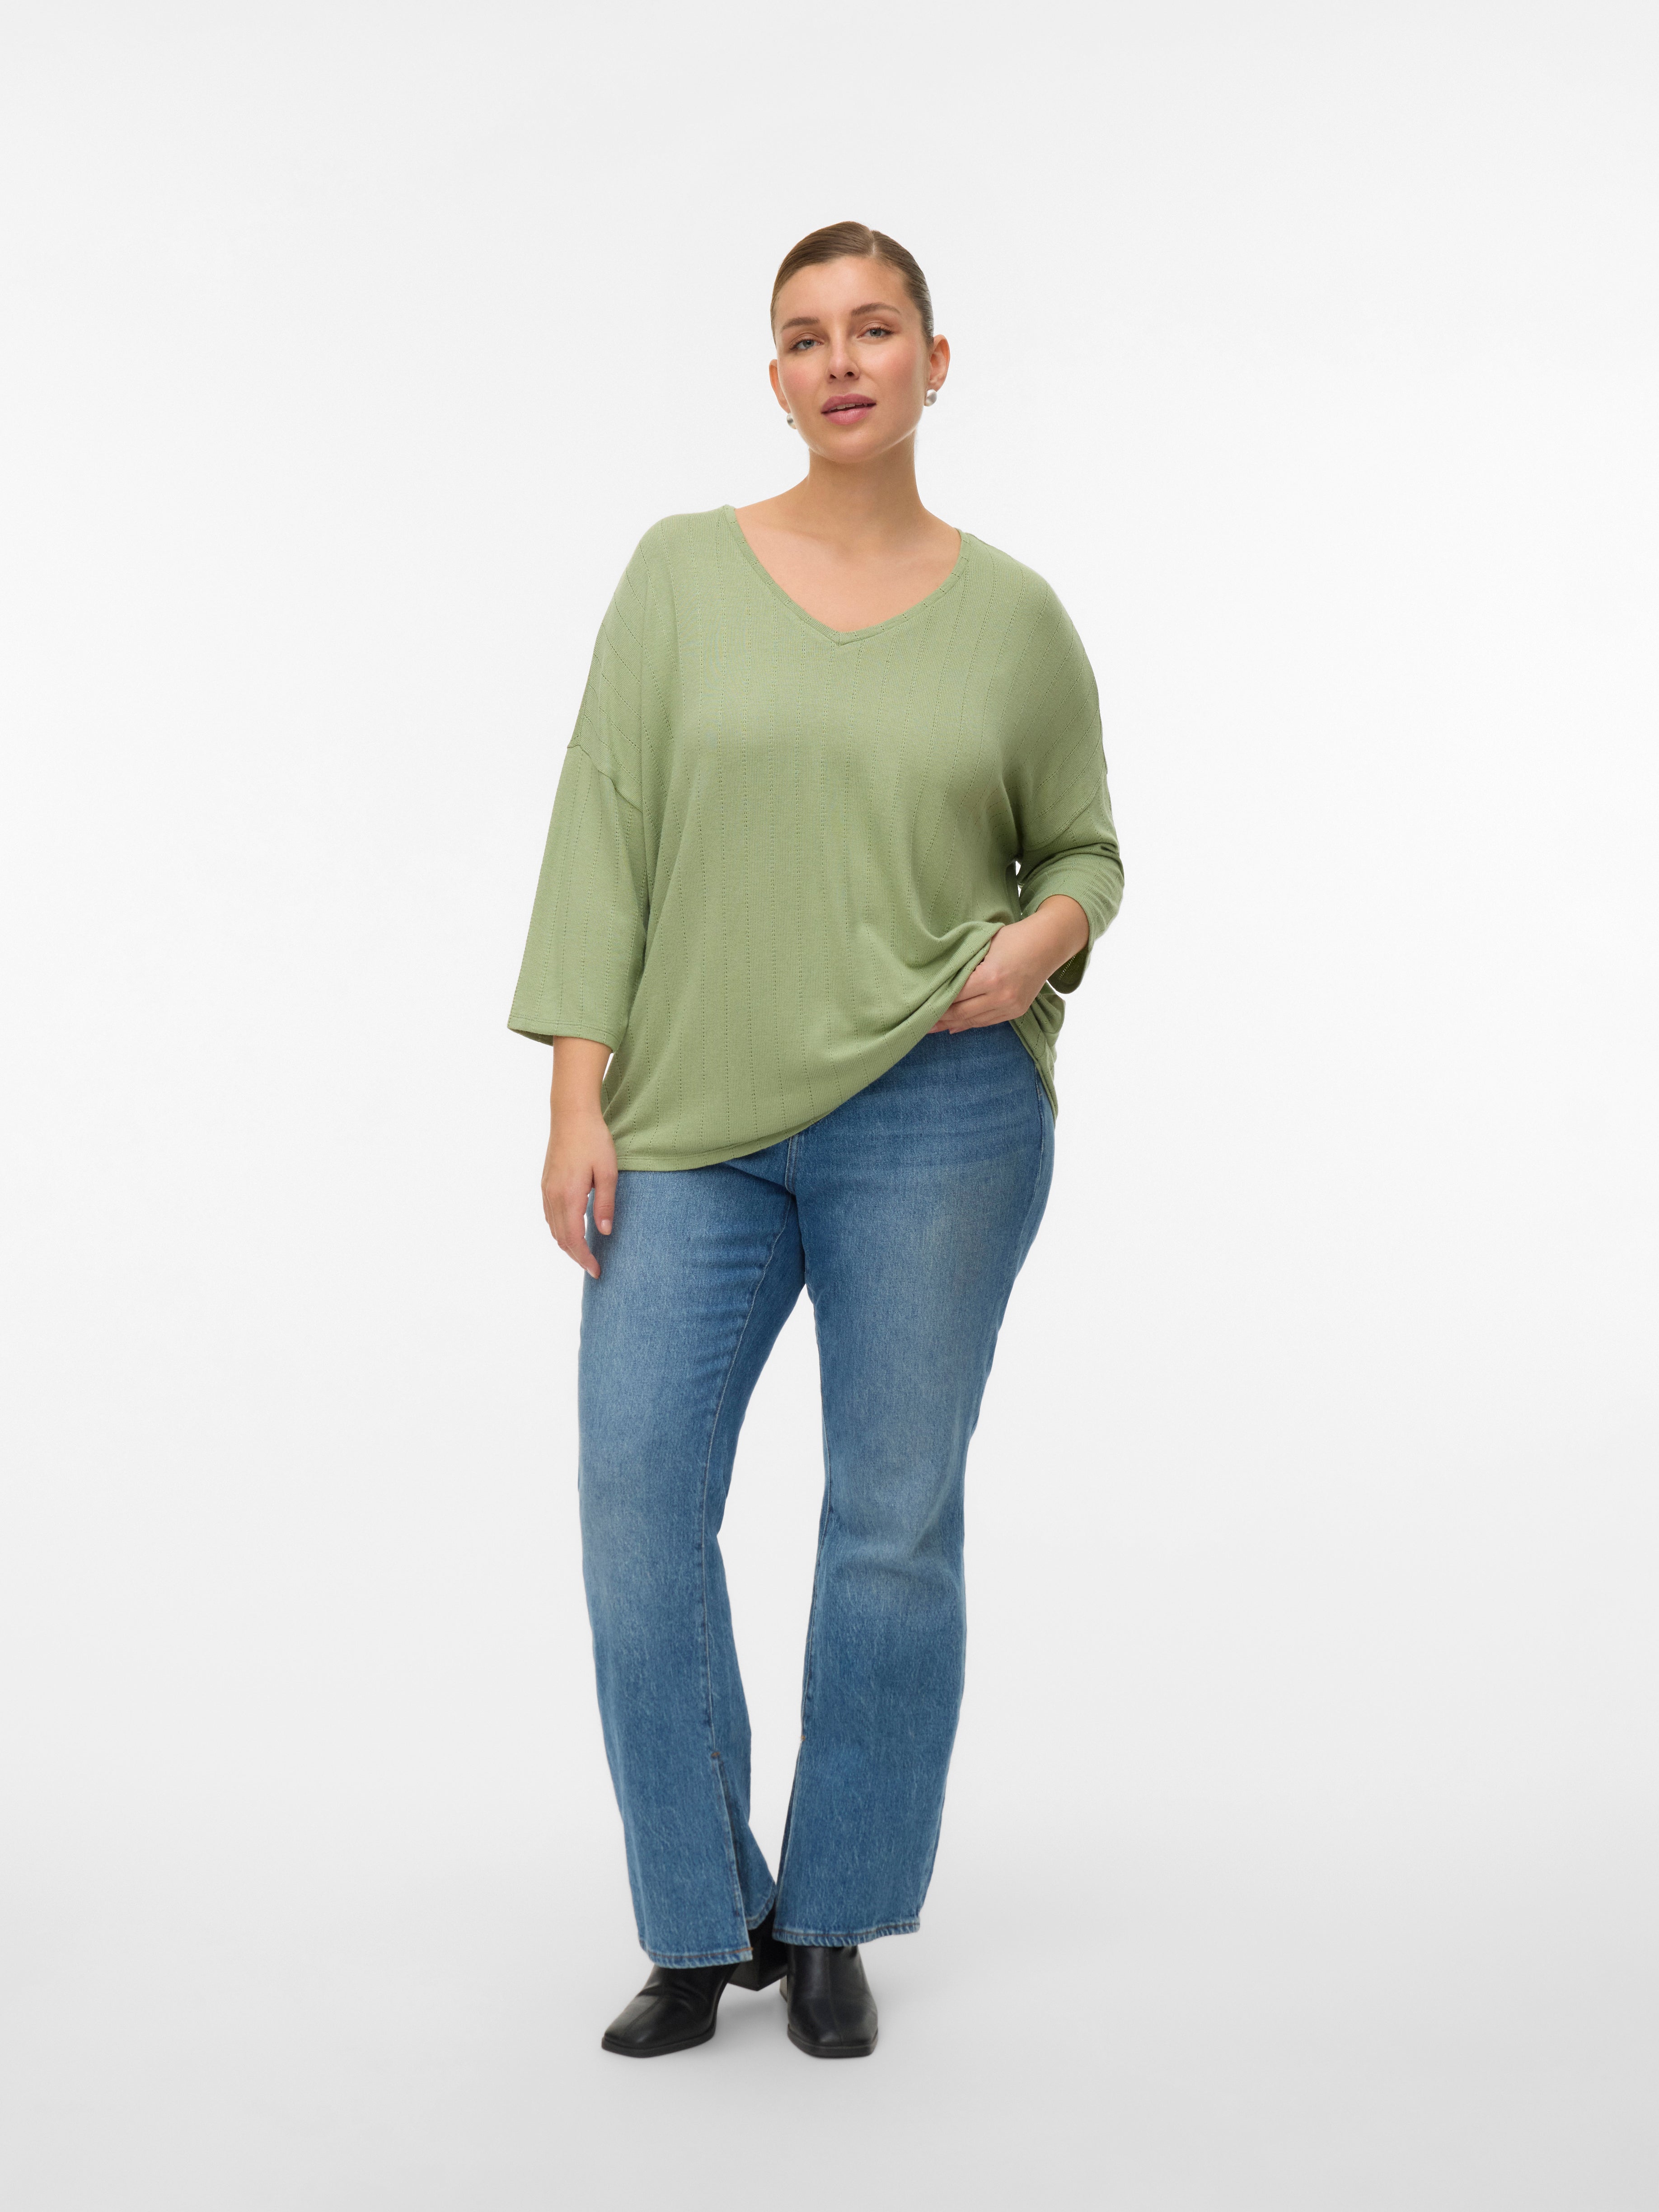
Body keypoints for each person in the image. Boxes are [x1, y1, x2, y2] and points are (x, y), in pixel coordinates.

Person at [508, 220, 1123, 2060]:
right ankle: (702, 1924)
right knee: (639, 1508)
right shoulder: (678, 576)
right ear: (773, 379)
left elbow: (1086, 850)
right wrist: (577, 1096)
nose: (841, 361)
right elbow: (604, 830)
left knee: (889, 1526)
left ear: (936, 361)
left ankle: (838, 1911)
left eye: (873, 329)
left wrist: (1038, 943)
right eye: (804, 336)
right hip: (691, 1121)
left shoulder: (1014, 619)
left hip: (937, 1112)